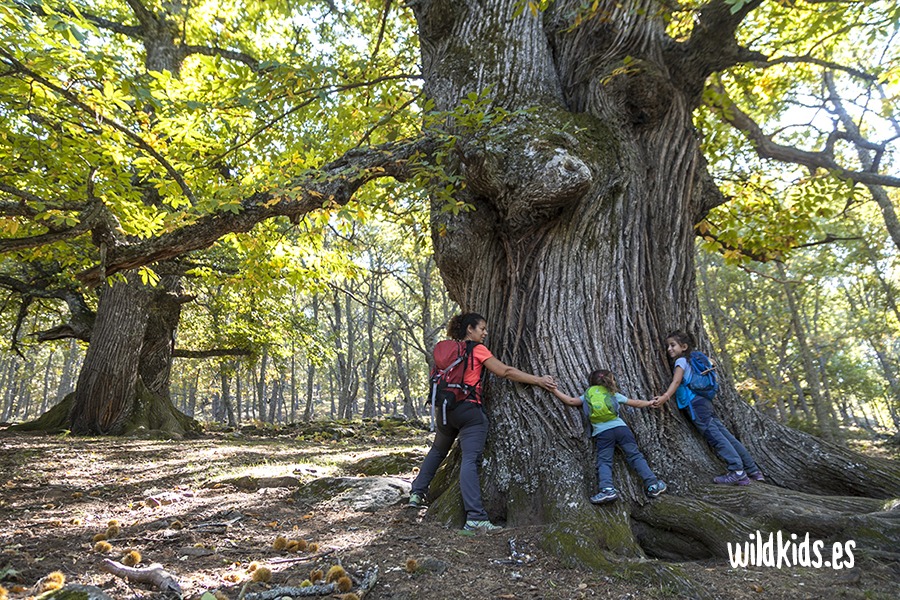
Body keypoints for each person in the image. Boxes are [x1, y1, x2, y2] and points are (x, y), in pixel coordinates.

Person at [408, 312, 557, 532]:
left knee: (438, 451)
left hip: (445, 411)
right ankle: (475, 517)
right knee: (470, 460)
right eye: (482, 328)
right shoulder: (477, 350)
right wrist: (539, 380)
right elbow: (505, 371)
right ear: (470, 329)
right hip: (470, 413)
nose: (485, 333)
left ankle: (416, 494)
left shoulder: (446, 351)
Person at [653, 330, 764, 485]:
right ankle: (753, 470)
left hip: (696, 406)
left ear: (684, 347)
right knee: (727, 436)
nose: (669, 349)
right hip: (704, 402)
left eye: (673, 345)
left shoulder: (681, 362)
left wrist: (665, 397)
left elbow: (676, 382)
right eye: (668, 346)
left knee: (717, 439)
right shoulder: (692, 360)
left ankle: (737, 471)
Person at [552, 369, 667, 503]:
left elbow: (571, 401)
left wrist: (555, 390)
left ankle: (607, 490)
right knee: (635, 456)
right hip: (622, 430)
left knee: (605, 461)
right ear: (609, 381)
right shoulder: (613, 394)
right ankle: (653, 485)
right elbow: (635, 403)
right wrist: (649, 403)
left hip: (603, 433)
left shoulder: (587, 395)